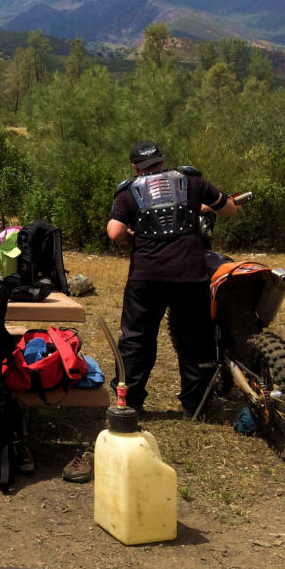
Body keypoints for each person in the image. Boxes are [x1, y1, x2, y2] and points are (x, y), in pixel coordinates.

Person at [106, 140, 239, 419]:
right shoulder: (193, 181)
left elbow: (115, 231)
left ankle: (128, 403)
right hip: (190, 275)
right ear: (162, 161)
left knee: (136, 341)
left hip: (146, 276)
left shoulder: (128, 191)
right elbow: (226, 208)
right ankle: (197, 406)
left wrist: (132, 239)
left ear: (134, 166)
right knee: (196, 340)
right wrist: (229, 205)